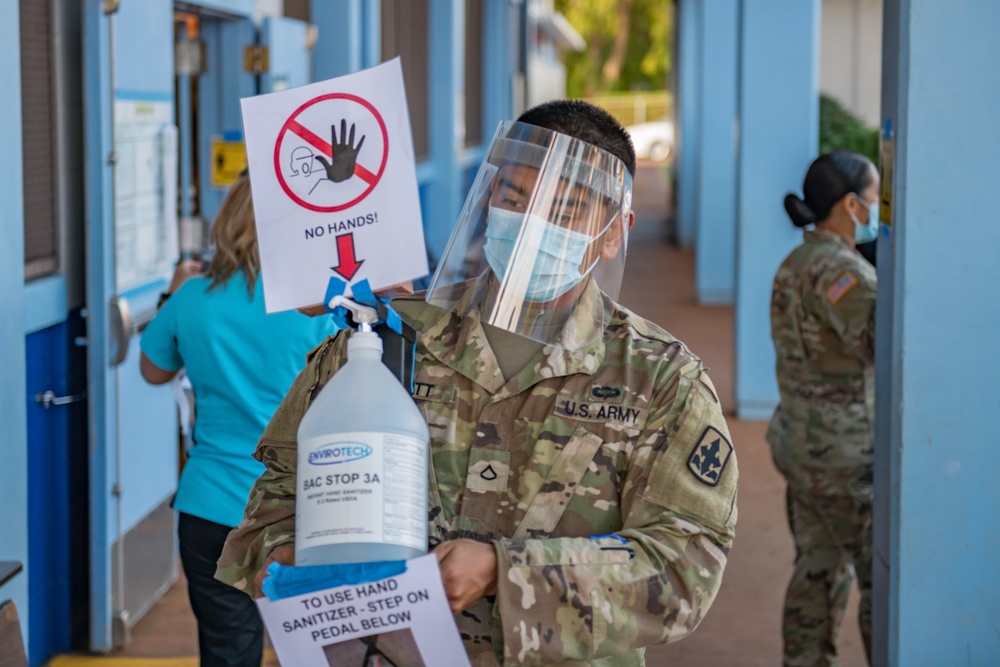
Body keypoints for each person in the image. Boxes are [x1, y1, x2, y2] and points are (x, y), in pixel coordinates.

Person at [216, 100, 738, 666]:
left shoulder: (661, 380)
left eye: (564, 209)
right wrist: (292, 561)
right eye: (514, 199)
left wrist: (502, 571)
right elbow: (275, 501)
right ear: (489, 202)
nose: (532, 224)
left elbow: (685, 567)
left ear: (615, 232)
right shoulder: (389, 338)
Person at [139, 172, 338, 667]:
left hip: (211, 506)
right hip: (302, 509)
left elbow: (153, 370)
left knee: (229, 649)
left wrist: (173, 294)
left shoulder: (191, 298)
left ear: (225, 225)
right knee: (315, 648)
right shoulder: (321, 305)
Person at [767, 150, 879, 667]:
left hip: (800, 443)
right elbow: (882, 344)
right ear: (853, 205)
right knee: (881, 582)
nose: (881, 207)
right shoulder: (841, 271)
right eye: (876, 197)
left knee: (817, 565)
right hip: (844, 456)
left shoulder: (798, 261)